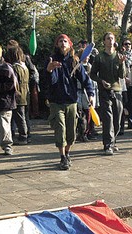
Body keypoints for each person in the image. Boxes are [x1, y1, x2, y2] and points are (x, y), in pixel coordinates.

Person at [45, 34, 95, 170]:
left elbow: (85, 79)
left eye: (65, 41)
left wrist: (91, 94)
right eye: (60, 41)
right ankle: (62, 157)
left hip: (72, 102)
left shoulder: (74, 60)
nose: (62, 43)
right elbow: (49, 82)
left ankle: (67, 153)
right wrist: (49, 70)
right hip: (56, 101)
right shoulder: (51, 60)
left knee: (71, 134)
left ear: (70, 44)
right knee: (60, 129)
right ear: (56, 44)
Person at [90, 32, 125, 155]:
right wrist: (101, 81)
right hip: (104, 91)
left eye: (112, 38)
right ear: (104, 41)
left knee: (117, 118)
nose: (110, 41)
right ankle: (107, 145)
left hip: (117, 90)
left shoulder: (118, 56)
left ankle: (113, 141)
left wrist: (121, 64)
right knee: (108, 118)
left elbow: (122, 75)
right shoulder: (99, 57)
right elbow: (92, 74)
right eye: (107, 39)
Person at [5, 45, 30, 145]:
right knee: (23, 116)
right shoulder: (24, 66)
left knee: (19, 117)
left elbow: (14, 81)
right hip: (25, 93)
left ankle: (23, 136)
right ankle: (25, 135)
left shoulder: (14, 67)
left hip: (18, 94)